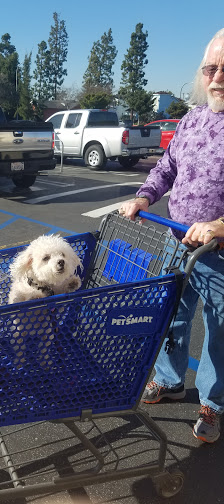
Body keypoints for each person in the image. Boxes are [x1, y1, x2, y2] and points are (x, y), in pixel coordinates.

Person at [118, 28, 224, 443]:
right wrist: (143, 198)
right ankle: (171, 378)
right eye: (211, 69)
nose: (217, 78)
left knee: (218, 331)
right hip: (176, 241)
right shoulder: (192, 120)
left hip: (217, 251)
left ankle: (213, 405)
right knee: (173, 316)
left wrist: (218, 225)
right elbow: (167, 168)